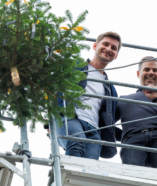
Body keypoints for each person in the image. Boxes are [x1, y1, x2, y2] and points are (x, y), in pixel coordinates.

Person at [46, 32, 121, 160]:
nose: (109, 49)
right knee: (76, 143)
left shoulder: (111, 90)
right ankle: (61, 178)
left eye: (113, 48)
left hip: (94, 131)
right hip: (70, 119)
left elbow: (109, 120)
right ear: (95, 46)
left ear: (116, 55)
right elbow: (53, 87)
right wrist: (47, 123)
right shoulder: (75, 66)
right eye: (105, 44)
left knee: (89, 165)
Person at [116, 56, 157, 170]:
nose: (151, 72)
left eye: (155, 70)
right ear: (138, 73)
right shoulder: (124, 100)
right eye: (147, 70)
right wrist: (124, 136)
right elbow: (106, 124)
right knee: (133, 174)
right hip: (133, 139)